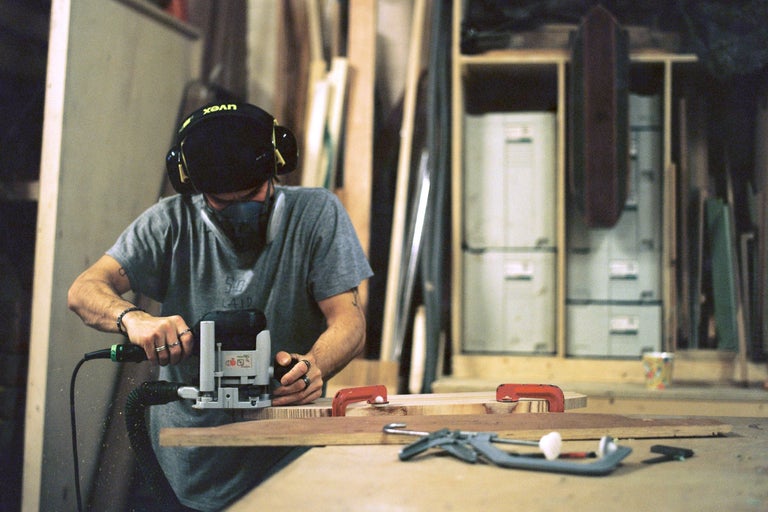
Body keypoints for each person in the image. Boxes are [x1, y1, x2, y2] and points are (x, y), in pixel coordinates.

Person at [67, 102, 373, 511]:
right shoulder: (169, 223)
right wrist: (133, 319)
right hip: (188, 464)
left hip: (288, 456)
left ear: (276, 169)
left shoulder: (316, 215)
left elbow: (349, 320)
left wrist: (314, 364)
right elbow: (84, 290)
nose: (241, 212)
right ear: (196, 188)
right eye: (222, 202)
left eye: (252, 196)